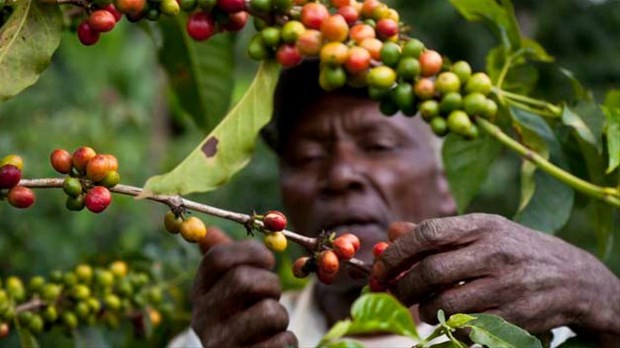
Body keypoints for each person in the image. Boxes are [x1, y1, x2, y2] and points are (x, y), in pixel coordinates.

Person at [178, 60, 620, 348]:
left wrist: (605, 299)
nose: (340, 174)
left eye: (379, 144)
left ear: (445, 182)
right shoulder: (219, 338)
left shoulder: (541, 326)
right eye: (309, 156)